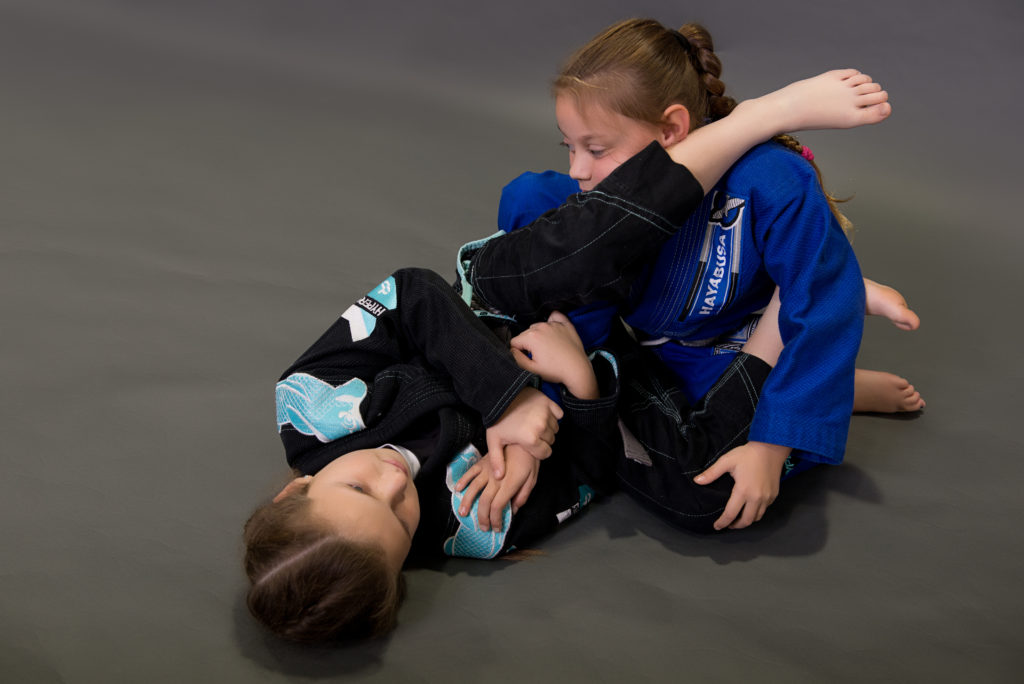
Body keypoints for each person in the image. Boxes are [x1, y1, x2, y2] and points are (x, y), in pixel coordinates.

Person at [244, 70, 893, 643]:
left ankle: (757, 133)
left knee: (576, 247)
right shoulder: (474, 527)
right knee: (707, 499)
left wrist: (509, 401)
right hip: (591, 372)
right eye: (399, 518)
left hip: (510, 300)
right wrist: (578, 385)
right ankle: (778, 332)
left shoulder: (310, 404)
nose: (394, 483)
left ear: (297, 487)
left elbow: (411, 296)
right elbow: (589, 471)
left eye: (361, 488)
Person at [470, 19, 918, 532]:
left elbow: (822, 305)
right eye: (568, 147)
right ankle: (837, 368)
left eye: (595, 149)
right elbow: (545, 269)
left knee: (721, 459)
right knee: (529, 211)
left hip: (732, 339)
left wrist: (772, 446)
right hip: (660, 347)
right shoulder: (575, 199)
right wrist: (557, 384)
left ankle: (832, 381)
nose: (578, 170)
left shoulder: (771, 181)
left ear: (671, 130)